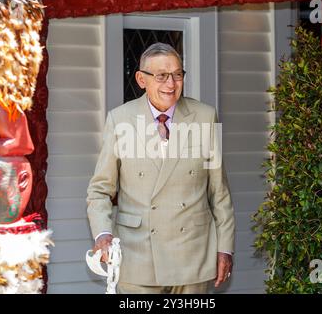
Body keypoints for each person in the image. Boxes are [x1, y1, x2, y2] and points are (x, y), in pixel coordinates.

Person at [86, 42, 235, 294]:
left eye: (177, 74)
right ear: (141, 79)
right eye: (162, 76)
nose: (171, 84)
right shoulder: (120, 119)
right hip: (137, 256)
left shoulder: (205, 116)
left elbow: (219, 192)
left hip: (193, 254)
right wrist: (102, 234)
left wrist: (225, 248)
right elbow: (100, 189)